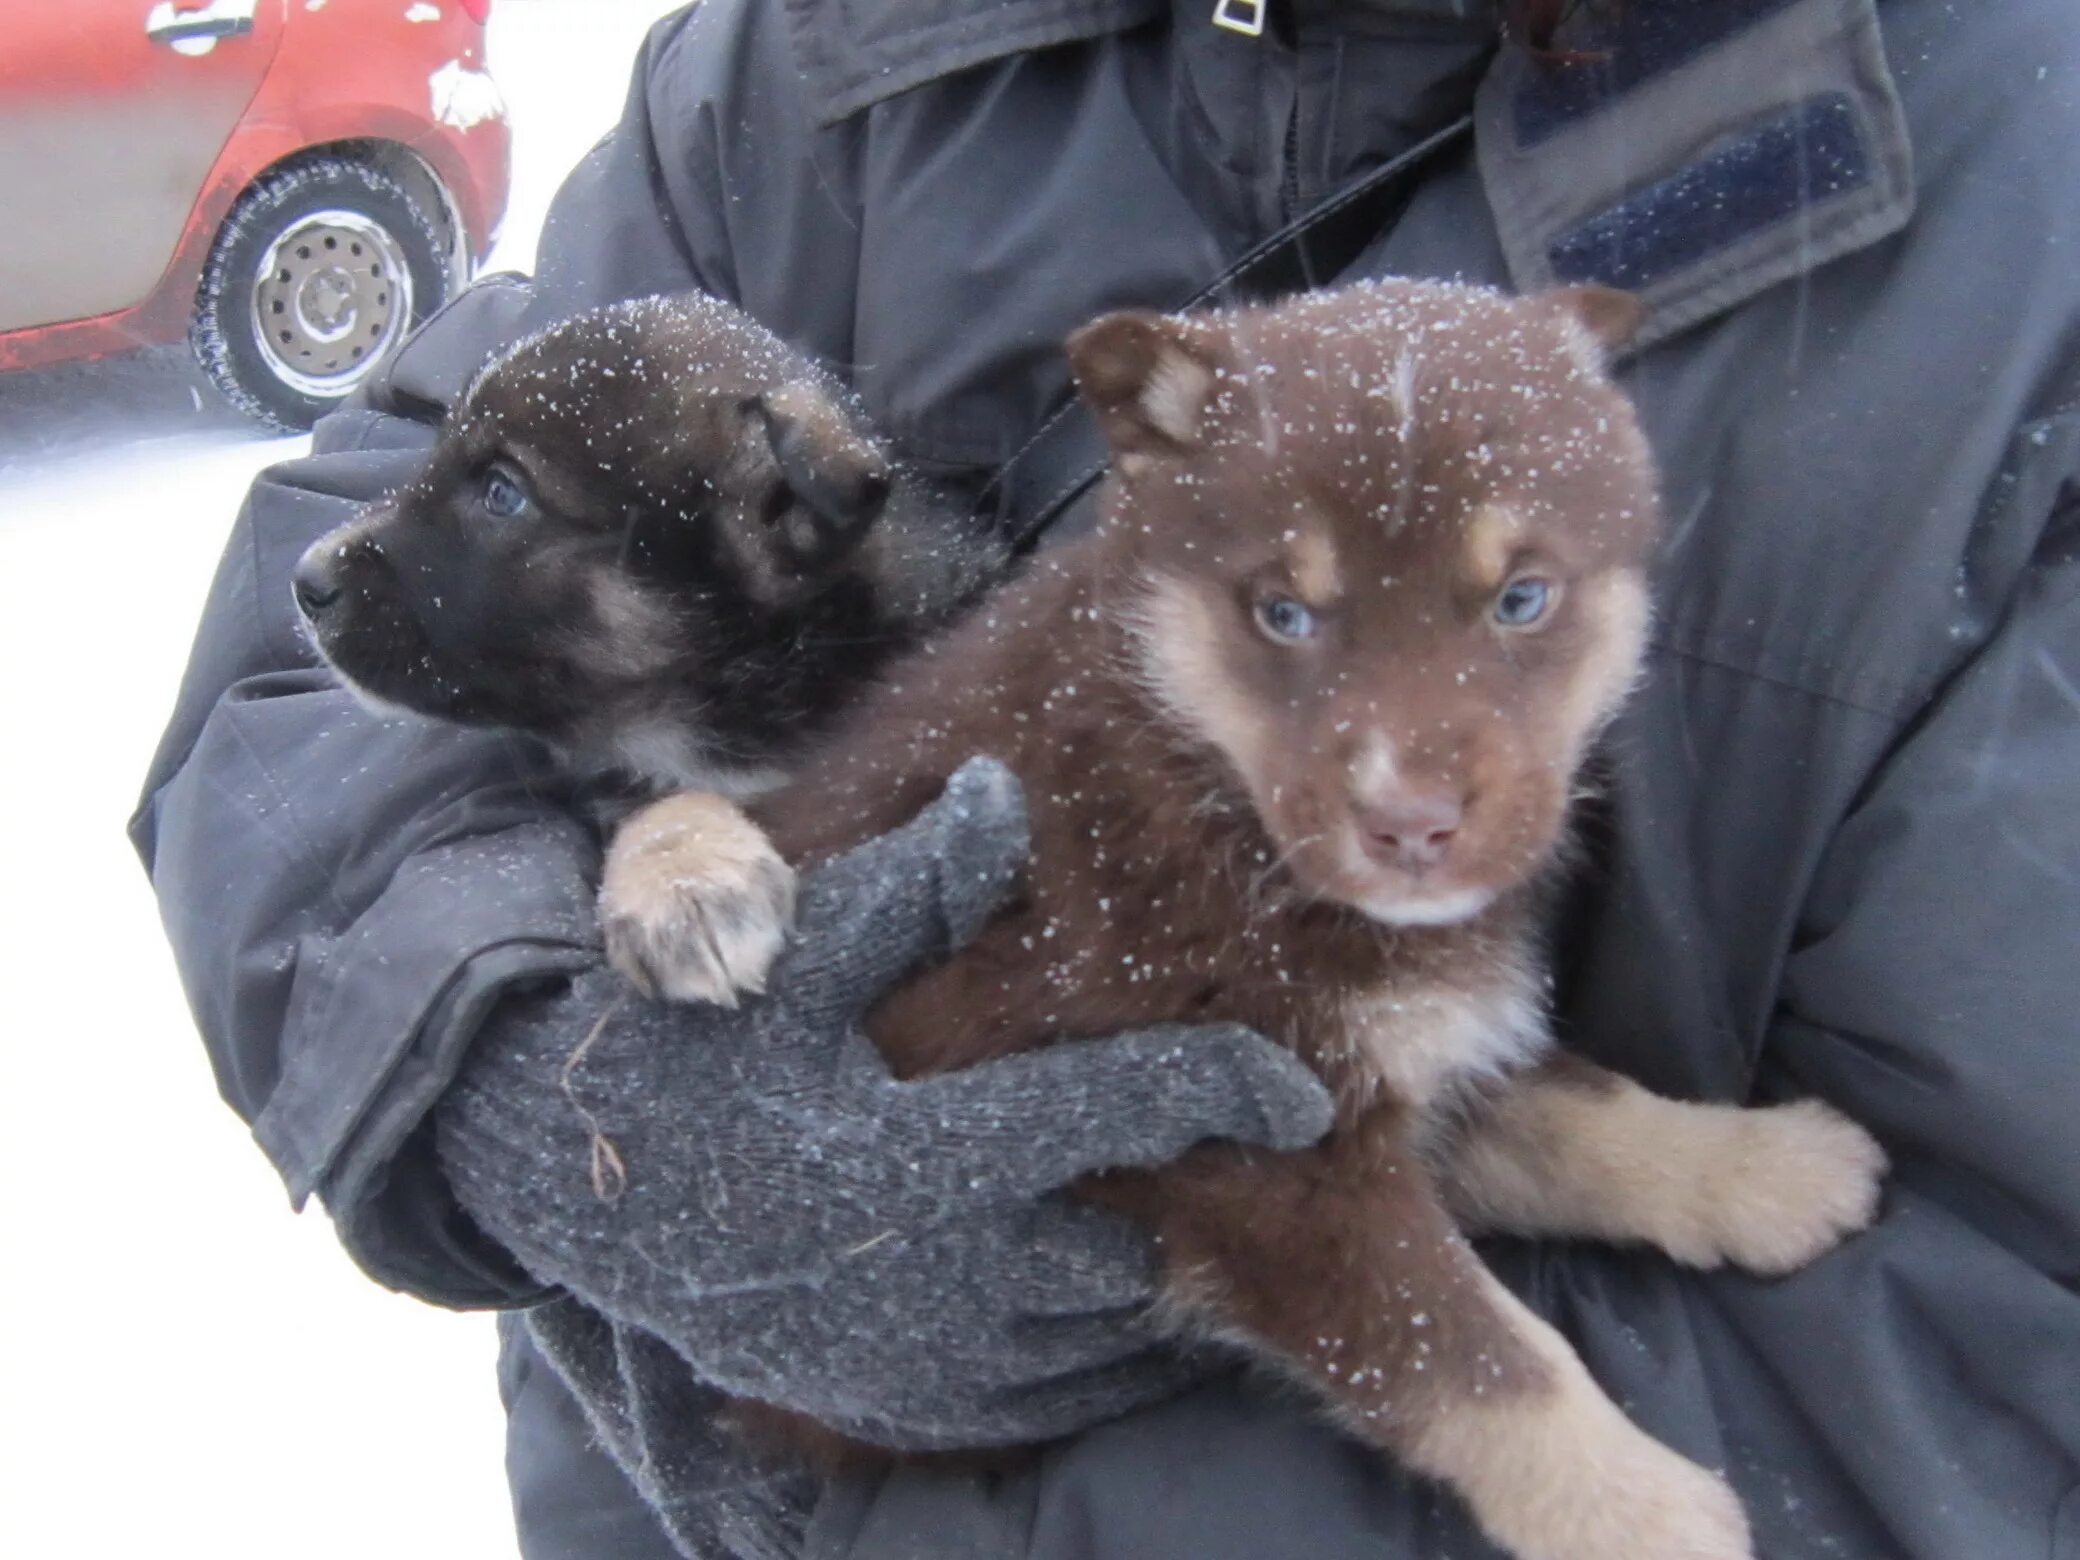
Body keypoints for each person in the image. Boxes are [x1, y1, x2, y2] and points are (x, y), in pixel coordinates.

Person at [132, 0, 2080, 1555]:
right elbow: (320, 646)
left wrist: (855, 1493)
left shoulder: (2015, 228)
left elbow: (1988, 1381)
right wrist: (526, 1083)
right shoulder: (829, 62)